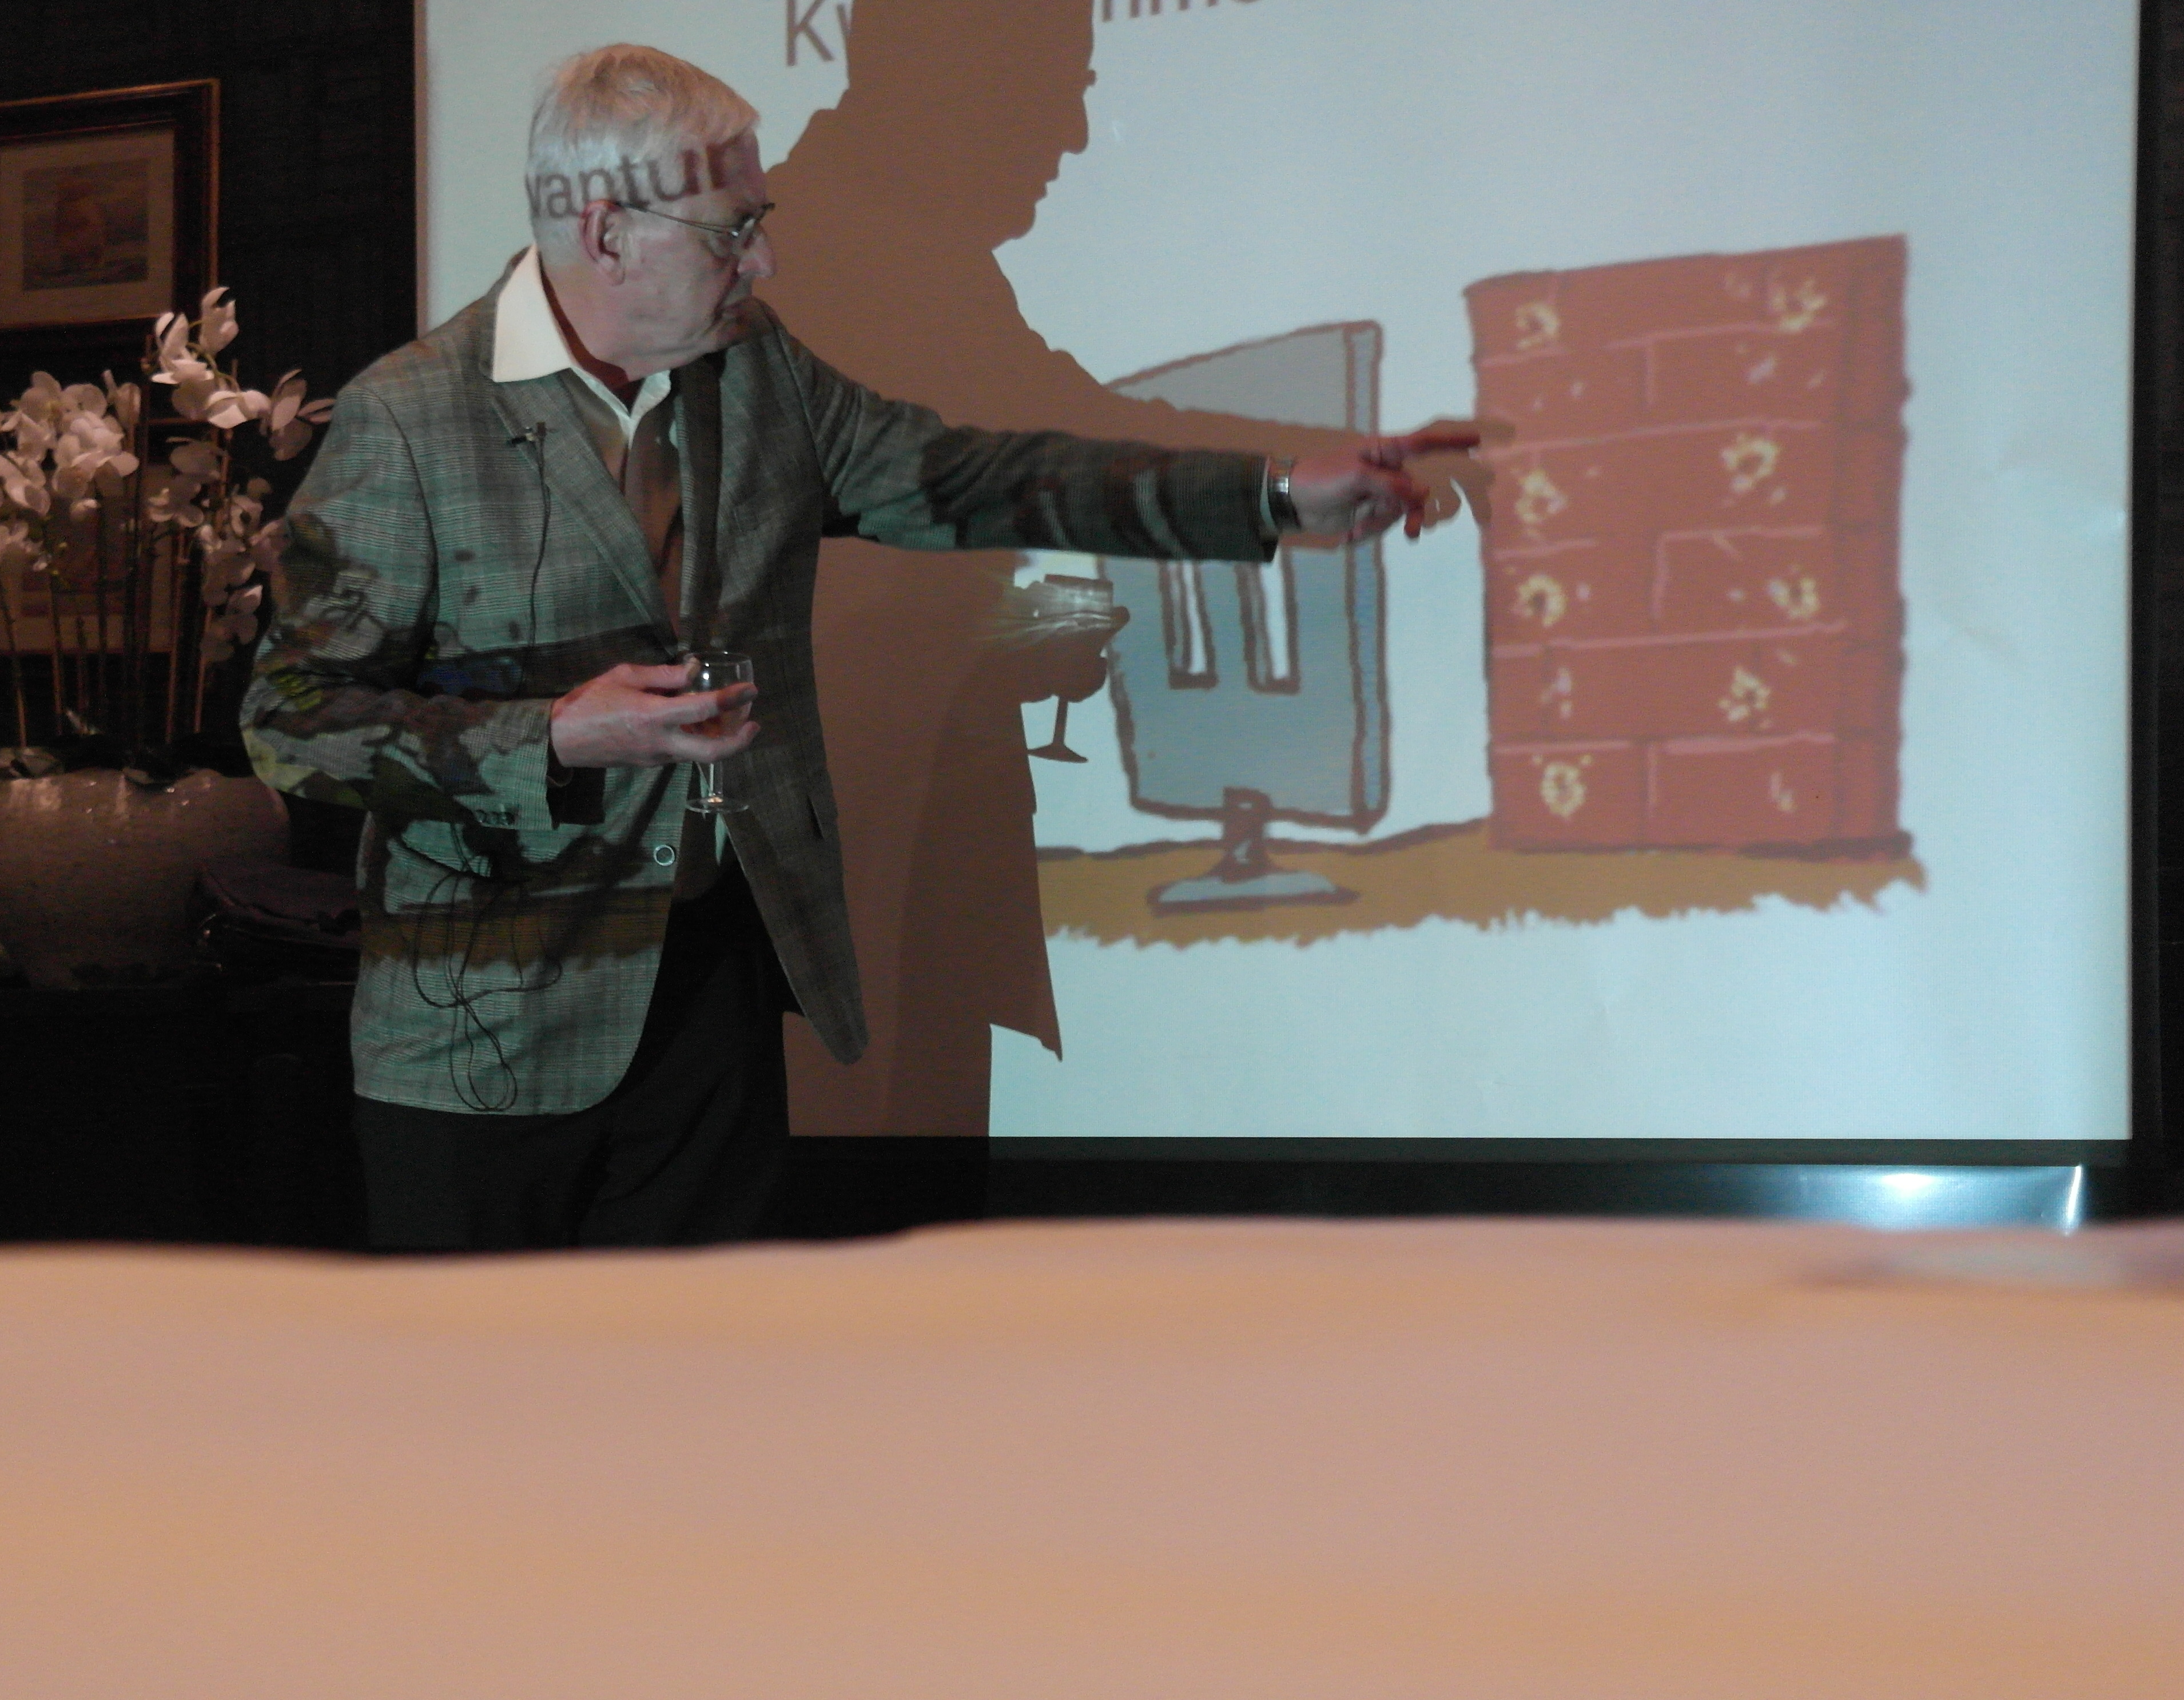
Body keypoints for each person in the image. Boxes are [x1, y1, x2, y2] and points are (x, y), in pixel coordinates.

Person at [242, 44, 1477, 1252]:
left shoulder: (755, 369)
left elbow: (981, 480)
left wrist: (1274, 492)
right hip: (485, 1037)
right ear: (608, 233)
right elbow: (294, 722)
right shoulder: (411, 417)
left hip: (714, 994)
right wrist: (557, 738)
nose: (764, 260)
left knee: (703, 1380)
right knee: (494, 1390)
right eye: (733, 231)